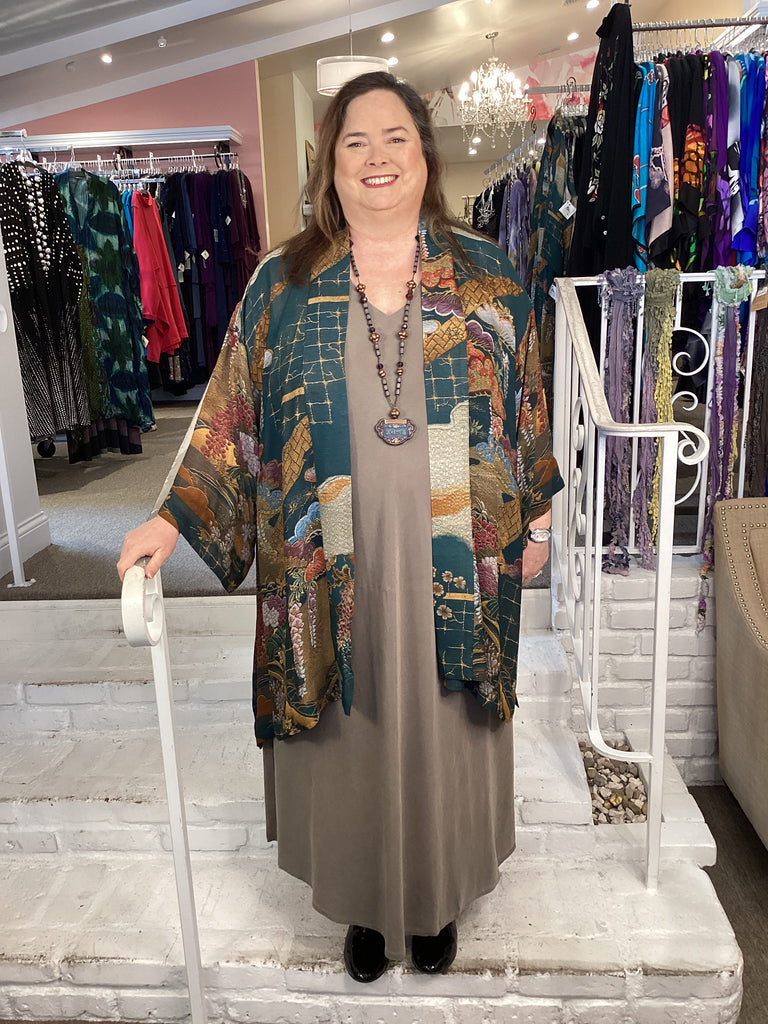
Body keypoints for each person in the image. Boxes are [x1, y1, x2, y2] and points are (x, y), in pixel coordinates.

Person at [118, 70, 563, 983]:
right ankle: (364, 903)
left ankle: (437, 898)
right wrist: (170, 516)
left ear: (423, 155)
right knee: (351, 722)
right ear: (331, 164)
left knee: (445, 718)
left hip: (455, 546)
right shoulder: (285, 284)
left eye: (395, 138)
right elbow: (230, 411)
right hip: (329, 547)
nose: (376, 158)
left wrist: (539, 521)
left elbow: (524, 407)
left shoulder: (484, 277)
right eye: (355, 142)